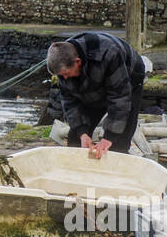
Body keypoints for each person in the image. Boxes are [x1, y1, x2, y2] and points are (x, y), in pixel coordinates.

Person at [46, 31, 146, 159]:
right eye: (61, 76)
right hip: (93, 75)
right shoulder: (63, 63)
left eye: (65, 73)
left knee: (118, 144)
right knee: (75, 139)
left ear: (77, 61)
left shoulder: (110, 54)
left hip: (129, 74)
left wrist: (109, 138)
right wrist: (83, 134)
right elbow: (70, 103)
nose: (64, 78)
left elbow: (119, 98)